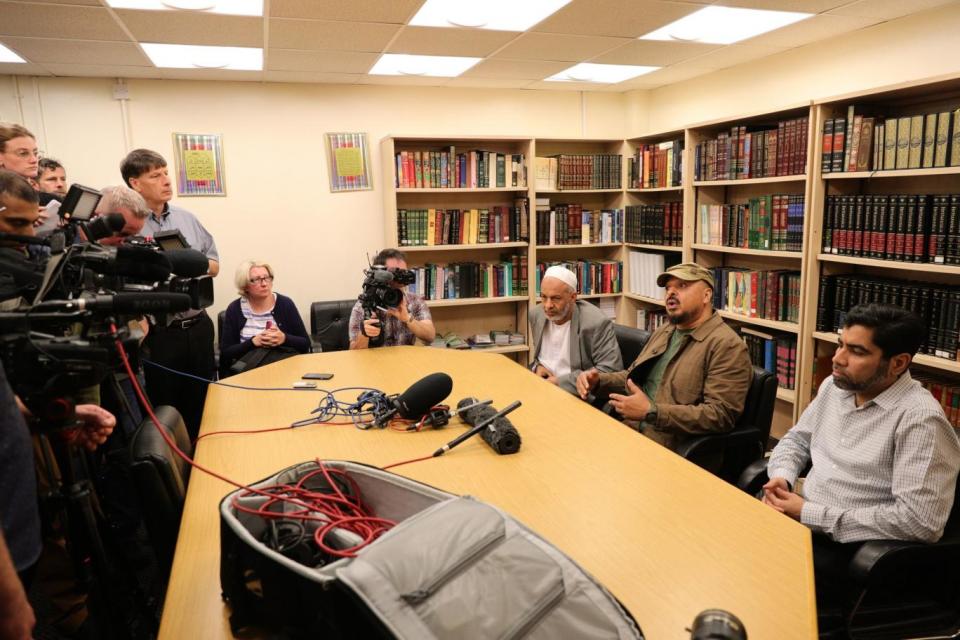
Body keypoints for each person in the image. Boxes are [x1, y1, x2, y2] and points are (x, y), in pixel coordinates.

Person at [762, 303, 960, 609]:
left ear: (898, 363)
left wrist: (809, 513)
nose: (838, 359)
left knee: (760, 598)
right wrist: (782, 478)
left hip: (857, 552)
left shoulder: (919, 420)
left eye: (856, 351)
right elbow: (796, 441)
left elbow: (920, 522)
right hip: (800, 522)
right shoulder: (834, 387)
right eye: (841, 344)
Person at [576, 262, 751, 453]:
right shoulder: (665, 331)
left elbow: (720, 415)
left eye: (682, 286)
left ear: (706, 295)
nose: (670, 293)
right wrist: (598, 381)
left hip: (672, 450)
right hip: (632, 432)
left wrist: (652, 412)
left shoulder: (727, 345)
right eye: (668, 288)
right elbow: (632, 379)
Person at [121, 148, 218, 436]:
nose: (166, 179)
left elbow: (214, 264)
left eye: (166, 172)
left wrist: (187, 263)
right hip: (160, 333)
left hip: (199, 326)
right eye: (156, 175)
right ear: (135, 183)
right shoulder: (129, 224)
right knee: (166, 411)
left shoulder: (188, 218)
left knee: (204, 404)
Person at [529, 265, 622, 395]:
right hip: (543, 388)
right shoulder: (536, 315)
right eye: (544, 297)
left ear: (573, 297)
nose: (547, 305)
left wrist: (559, 382)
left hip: (576, 395)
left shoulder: (596, 323)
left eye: (556, 298)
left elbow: (611, 370)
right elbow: (538, 358)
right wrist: (537, 367)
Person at [220, 261, 310, 375]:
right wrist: (253, 342)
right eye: (256, 280)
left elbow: (305, 344)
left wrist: (284, 338)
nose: (264, 284)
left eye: (267, 278)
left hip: (284, 372)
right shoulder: (235, 309)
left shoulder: (285, 304)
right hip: (248, 374)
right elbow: (226, 353)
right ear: (245, 286)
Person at [348, 248, 436, 350]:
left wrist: (408, 319)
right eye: (394, 273)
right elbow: (353, 353)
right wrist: (364, 333)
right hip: (375, 363)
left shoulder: (415, 301)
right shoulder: (364, 305)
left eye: (403, 273)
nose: (400, 279)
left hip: (406, 362)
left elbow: (430, 336)